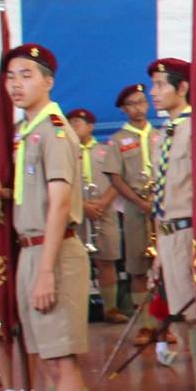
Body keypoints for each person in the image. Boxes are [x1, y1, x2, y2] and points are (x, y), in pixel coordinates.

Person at [2, 44, 99, 391]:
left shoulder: (55, 132)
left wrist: (45, 272)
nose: (16, 84)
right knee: (46, 362)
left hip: (52, 253)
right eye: (10, 76)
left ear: (48, 81)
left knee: (62, 360)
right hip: (31, 252)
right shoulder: (27, 133)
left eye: (26, 75)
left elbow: (60, 204)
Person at [149, 58, 196, 391]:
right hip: (169, 234)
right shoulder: (165, 133)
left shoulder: (195, 130)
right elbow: (159, 194)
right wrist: (158, 250)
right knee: (185, 321)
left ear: (182, 87)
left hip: (189, 233)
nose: (153, 93)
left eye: (160, 85)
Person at [68, 108, 124, 322]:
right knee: (76, 263)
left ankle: (110, 308)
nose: (73, 127)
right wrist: (82, 205)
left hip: (104, 212)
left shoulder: (105, 150)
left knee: (106, 260)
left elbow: (117, 179)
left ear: (90, 127)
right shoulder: (66, 151)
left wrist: (103, 202)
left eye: (77, 123)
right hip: (76, 212)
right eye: (70, 123)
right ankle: (78, 311)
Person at [108, 84, 156, 322]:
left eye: (141, 102)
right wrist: (139, 201)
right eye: (131, 104)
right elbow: (115, 178)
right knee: (138, 268)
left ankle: (165, 325)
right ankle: (146, 324)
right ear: (123, 109)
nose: (138, 108)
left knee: (165, 266)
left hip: (162, 207)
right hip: (135, 209)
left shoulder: (161, 134)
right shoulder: (117, 140)